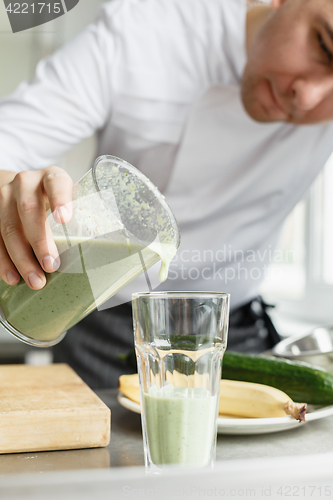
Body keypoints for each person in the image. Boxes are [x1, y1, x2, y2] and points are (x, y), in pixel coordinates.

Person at [1, 0, 333, 388]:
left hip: (232, 338)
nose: (308, 97)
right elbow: (12, 135)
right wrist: (10, 186)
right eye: (324, 47)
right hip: (101, 327)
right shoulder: (147, 29)